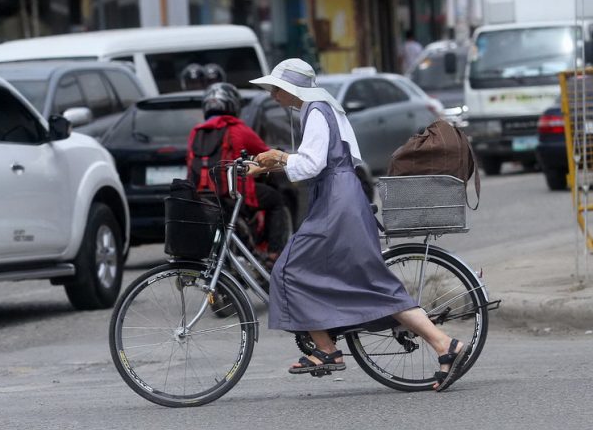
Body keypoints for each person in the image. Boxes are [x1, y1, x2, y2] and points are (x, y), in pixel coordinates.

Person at [248, 58, 471, 392]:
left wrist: (276, 157)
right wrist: (272, 164)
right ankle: (332, 346)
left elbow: (311, 163)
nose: (271, 93)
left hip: (338, 204)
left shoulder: (317, 110)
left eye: (275, 87)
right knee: (351, 278)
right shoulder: (324, 108)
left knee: (289, 270)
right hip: (338, 199)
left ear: (290, 88)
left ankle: (436, 344)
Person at [186, 82, 288, 263]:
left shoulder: (196, 131)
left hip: (201, 194)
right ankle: (274, 254)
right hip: (232, 193)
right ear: (233, 105)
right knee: (275, 200)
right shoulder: (236, 128)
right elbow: (264, 151)